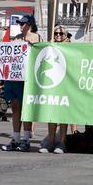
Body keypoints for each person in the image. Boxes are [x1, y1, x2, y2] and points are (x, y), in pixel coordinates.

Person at [1, 15, 42, 152]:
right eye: (20, 23)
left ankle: (26, 139)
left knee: (26, 108)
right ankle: (16, 138)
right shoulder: (16, 37)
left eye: (23, 23)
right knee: (15, 107)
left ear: (29, 24)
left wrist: (29, 44)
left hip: (28, 78)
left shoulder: (36, 37)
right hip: (15, 78)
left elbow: (41, 52)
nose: (21, 25)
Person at [40, 25, 70, 155]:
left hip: (66, 85)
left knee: (63, 115)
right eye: (55, 33)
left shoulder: (71, 48)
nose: (58, 35)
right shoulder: (50, 47)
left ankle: (62, 142)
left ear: (66, 36)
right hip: (53, 83)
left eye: (61, 33)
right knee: (51, 113)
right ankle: (51, 140)